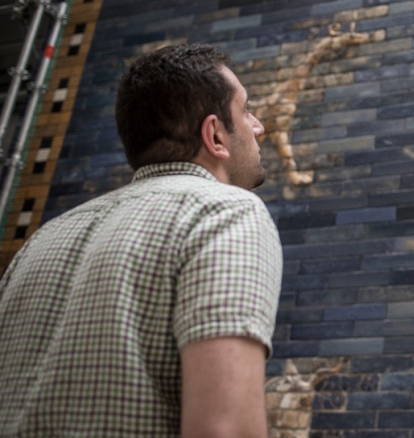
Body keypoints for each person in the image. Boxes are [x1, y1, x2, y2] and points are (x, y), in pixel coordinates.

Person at [0, 44, 283, 438]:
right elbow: (226, 429)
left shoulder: (40, 240)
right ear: (215, 134)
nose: (258, 127)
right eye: (246, 110)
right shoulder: (227, 212)